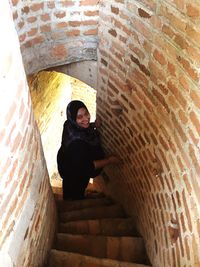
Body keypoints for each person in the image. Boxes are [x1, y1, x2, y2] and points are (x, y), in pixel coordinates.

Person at [57, 100, 119, 200]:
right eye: (80, 117)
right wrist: (109, 160)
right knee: (75, 189)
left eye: (86, 113)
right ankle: (74, 201)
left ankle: (80, 196)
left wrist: (94, 125)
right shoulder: (76, 146)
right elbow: (87, 167)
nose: (86, 118)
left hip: (68, 161)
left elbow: (81, 128)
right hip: (73, 171)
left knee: (76, 188)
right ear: (74, 118)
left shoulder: (69, 124)